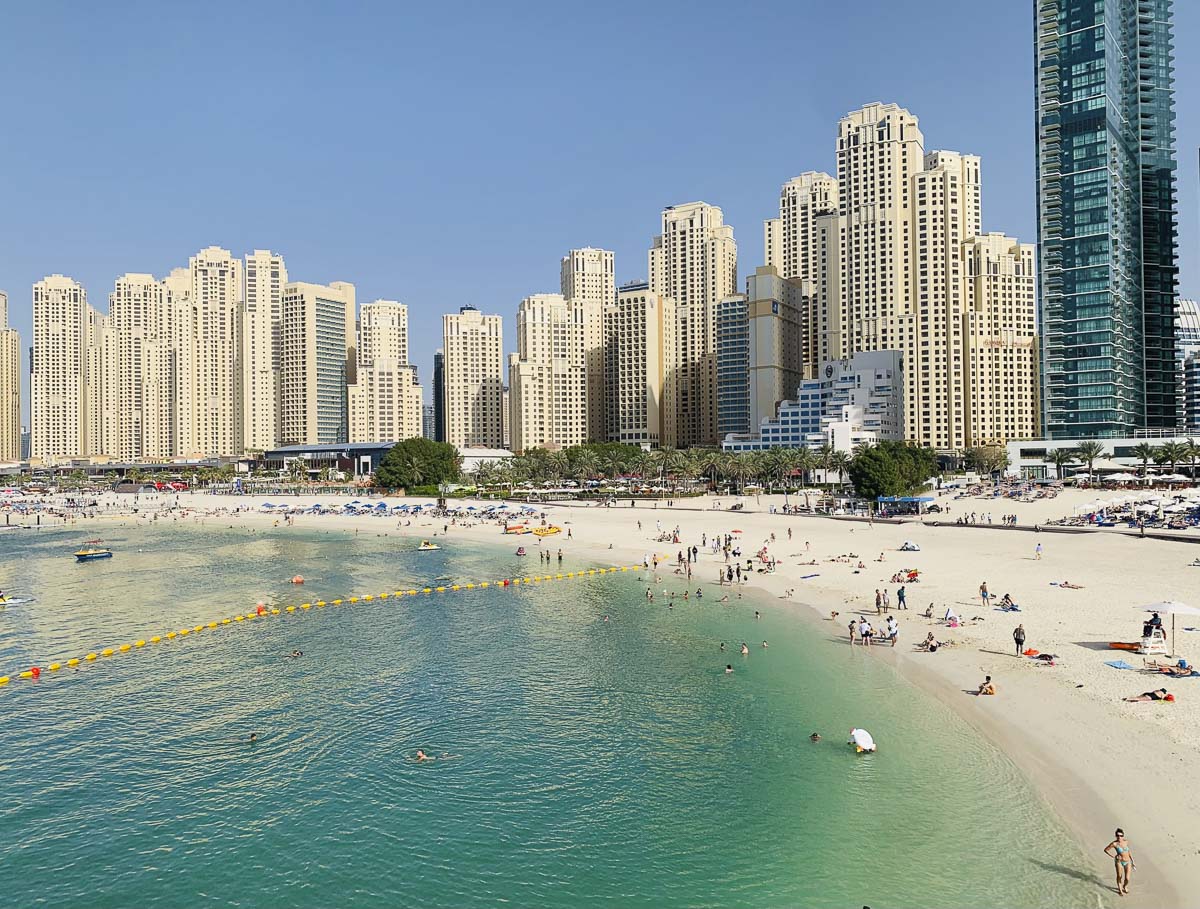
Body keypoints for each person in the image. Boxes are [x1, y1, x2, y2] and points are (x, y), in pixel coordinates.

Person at [1103, 829, 1135, 896]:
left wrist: (1132, 860)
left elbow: (1128, 852)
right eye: (1118, 835)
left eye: (1121, 835)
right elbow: (1106, 850)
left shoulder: (1126, 842)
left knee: (1127, 878)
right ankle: (1120, 890)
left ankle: (1125, 886)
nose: (1119, 837)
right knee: (1119, 876)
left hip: (1127, 861)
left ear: (1123, 836)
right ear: (1116, 836)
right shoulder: (1114, 844)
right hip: (1119, 862)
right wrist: (1113, 856)